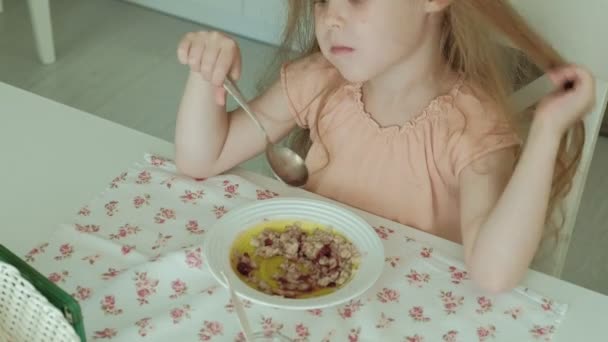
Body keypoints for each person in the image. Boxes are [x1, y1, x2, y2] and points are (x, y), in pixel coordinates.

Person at [173, 0, 595, 293]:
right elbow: (200, 157)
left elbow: (494, 274)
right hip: (301, 291)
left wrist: (546, 131)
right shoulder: (321, 80)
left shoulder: (471, 125)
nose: (331, 19)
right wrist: (207, 73)